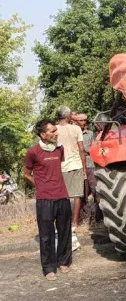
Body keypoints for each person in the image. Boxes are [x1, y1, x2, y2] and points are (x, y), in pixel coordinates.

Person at [24, 119, 72, 281]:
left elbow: (57, 168)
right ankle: (49, 268)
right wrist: (39, 185)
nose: (56, 133)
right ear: (43, 135)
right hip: (44, 199)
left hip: (62, 196)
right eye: (52, 131)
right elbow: (26, 174)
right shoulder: (33, 152)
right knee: (46, 235)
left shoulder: (60, 149)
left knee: (65, 231)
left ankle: (64, 261)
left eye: (55, 130)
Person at [56, 106, 87, 251]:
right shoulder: (76, 129)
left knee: (62, 197)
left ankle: (64, 223)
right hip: (75, 164)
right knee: (76, 195)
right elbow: (81, 149)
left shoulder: (54, 129)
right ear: (68, 116)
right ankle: (74, 224)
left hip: (60, 166)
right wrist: (85, 169)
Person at [74, 113, 102, 221]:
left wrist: (84, 152)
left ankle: (99, 217)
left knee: (96, 190)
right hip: (77, 166)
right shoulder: (73, 133)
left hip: (90, 165)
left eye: (84, 121)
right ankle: (83, 218)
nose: (83, 122)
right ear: (75, 122)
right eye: (81, 121)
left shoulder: (90, 134)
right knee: (81, 193)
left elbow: (94, 148)